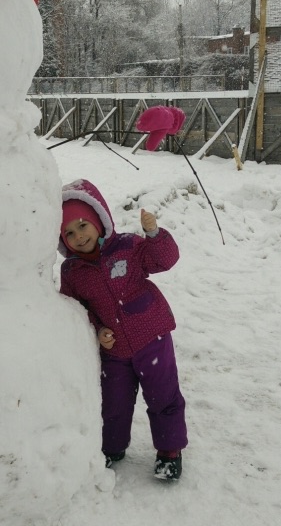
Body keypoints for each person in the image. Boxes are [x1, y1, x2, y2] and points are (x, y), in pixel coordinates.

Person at [57, 179, 188, 481]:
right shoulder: (72, 271)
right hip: (114, 349)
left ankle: (169, 450)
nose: (79, 236)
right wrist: (97, 328)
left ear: (99, 220)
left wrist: (154, 235)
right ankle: (112, 447)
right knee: (114, 402)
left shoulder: (129, 246)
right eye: (69, 233)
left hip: (152, 337)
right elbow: (75, 310)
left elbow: (164, 260)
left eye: (83, 226)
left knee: (163, 395)